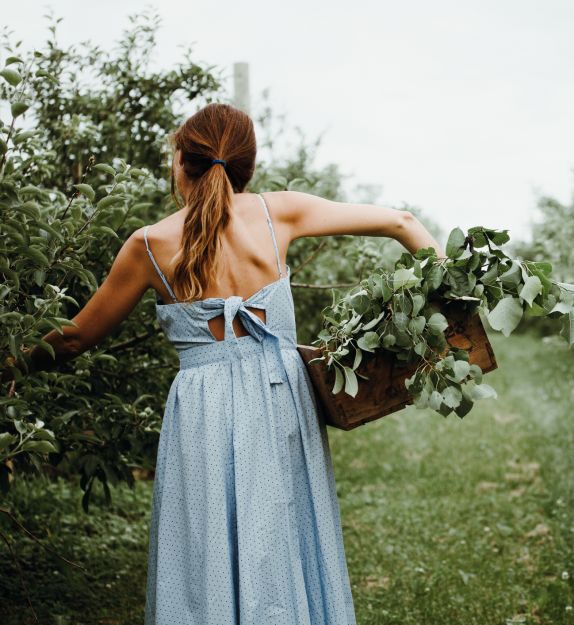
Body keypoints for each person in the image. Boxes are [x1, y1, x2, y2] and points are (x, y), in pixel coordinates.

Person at [4, 102, 444, 624]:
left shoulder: (148, 245)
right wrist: (445, 303)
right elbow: (403, 222)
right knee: (285, 531)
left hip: (203, 412)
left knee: (205, 544)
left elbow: (74, 340)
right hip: (281, 395)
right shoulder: (276, 212)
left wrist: (13, 364)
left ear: (181, 163)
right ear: (246, 166)